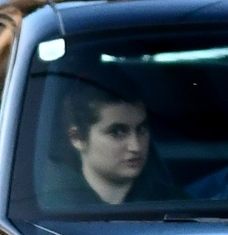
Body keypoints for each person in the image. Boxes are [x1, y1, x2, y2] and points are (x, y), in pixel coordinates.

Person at [42, 80, 177, 206]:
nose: (136, 146)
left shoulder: (175, 205)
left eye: (141, 129)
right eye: (117, 132)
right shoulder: (50, 203)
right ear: (77, 138)